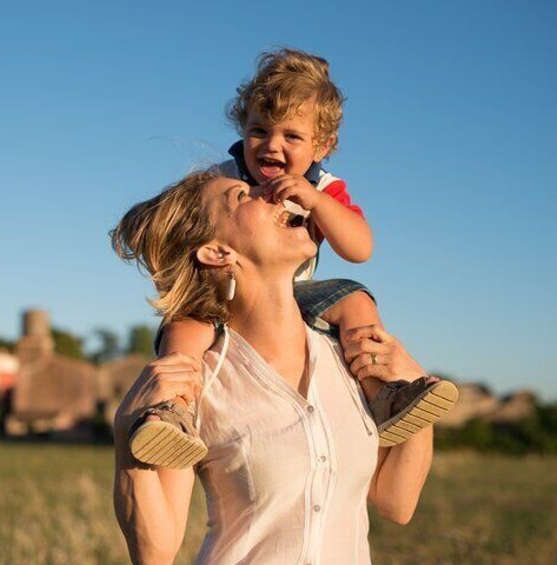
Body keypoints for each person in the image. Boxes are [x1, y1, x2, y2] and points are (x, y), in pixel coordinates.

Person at [128, 49, 457, 468]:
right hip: (229, 289)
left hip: (295, 293)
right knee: (185, 326)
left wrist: (317, 202)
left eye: (291, 136)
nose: (271, 145)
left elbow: (360, 249)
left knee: (356, 299)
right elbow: (183, 225)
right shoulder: (225, 179)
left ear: (323, 146)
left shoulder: (323, 187)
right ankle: (173, 410)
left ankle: (385, 393)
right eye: (259, 130)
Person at [111, 170, 437, 564]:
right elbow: (155, 552)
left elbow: (396, 503)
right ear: (217, 252)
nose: (269, 192)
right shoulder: (200, 377)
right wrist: (127, 431)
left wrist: (418, 396)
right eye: (241, 196)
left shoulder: (348, 356)